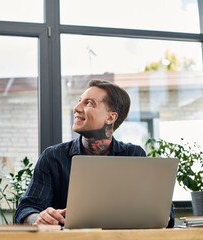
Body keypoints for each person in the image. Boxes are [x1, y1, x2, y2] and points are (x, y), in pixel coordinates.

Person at [14, 79, 175, 228]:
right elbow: (26, 209)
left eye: (89, 103)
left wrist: (161, 215)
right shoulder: (52, 157)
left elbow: (165, 212)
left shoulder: (134, 154)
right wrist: (38, 218)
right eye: (79, 102)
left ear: (110, 117)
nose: (76, 109)